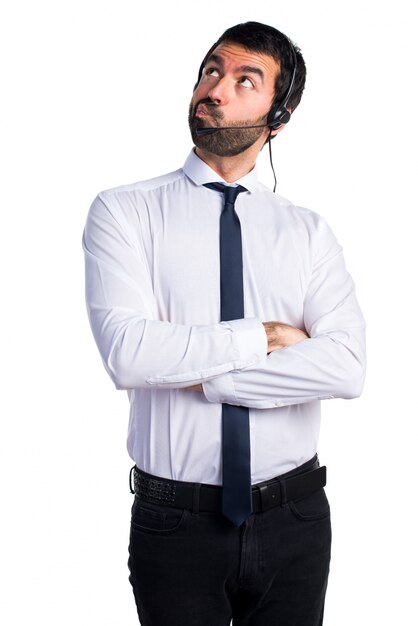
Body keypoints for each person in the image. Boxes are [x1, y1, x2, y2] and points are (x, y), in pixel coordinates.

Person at [82, 21, 366, 626]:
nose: (215, 89)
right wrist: (266, 337)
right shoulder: (124, 212)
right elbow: (130, 355)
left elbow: (346, 367)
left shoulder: (308, 233)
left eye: (245, 81)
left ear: (279, 116)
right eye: (211, 71)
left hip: (296, 518)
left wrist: (206, 378)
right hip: (175, 523)